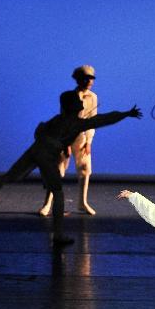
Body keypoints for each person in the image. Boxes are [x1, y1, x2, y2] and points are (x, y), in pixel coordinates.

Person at [0, 92, 141, 246]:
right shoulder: (76, 124)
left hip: (35, 150)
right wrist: (126, 113)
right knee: (58, 192)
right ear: (73, 106)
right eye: (77, 101)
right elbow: (103, 119)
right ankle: (58, 236)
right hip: (47, 155)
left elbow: (40, 131)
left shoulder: (56, 120)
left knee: (8, 177)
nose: (81, 103)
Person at [39, 65, 100, 217]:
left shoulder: (93, 97)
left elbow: (92, 120)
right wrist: (65, 143)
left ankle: (82, 202)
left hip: (82, 137)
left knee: (85, 169)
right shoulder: (68, 96)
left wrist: (89, 141)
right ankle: (47, 204)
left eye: (91, 79)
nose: (89, 81)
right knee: (58, 170)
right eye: (86, 78)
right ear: (78, 80)